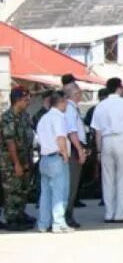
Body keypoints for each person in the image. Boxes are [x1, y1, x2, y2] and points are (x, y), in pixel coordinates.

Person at [90, 77, 123, 223]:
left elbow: (97, 132)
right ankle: (120, 214)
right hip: (122, 140)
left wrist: (99, 152)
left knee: (107, 179)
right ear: (119, 88)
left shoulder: (100, 106)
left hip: (106, 141)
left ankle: (109, 213)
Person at [36, 90, 73, 233]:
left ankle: (43, 224)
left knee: (45, 194)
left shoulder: (44, 118)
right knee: (60, 192)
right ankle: (59, 223)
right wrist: (65, 155)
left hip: (44, 158)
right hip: (57, 157)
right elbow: (61, 138)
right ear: (62, 102)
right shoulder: (58, 117)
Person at [2, 86, 35, 231]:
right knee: (12, 189)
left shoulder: (25, 116)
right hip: (10, 161)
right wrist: (16, 163)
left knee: (23, 188)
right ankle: (11, 218)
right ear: (17, 100)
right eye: (26, 99)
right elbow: (10, 142)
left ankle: (20, 213)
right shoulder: (8, 117)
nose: (28, 102)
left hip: (25, 158)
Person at [60, 79, 87, 228]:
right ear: (75, 94)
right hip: (74, 149)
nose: (81, 95)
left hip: (75, 148)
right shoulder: (70, 109)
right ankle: (66, 214)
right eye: (79, 92)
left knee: (72, 184)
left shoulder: (72, 108)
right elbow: (72, 132)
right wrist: (80, 150)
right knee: (71, 184)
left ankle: (67, 213)